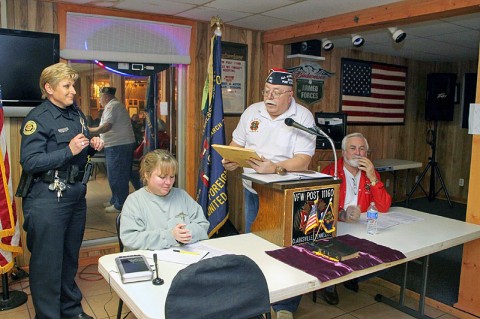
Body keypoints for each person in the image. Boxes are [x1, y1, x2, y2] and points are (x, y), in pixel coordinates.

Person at [222, 68, 316, 319]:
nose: (269, 97)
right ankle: (259, 299)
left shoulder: (303, 117)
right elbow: (237, 144)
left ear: (289, 95)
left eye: (276, 92)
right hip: (253, 190)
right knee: (257, 245)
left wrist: (274, 167)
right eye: (266, 91)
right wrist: (231, 158)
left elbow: (304, 160)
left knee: (287, 248)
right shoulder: (253, 111)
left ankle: (285, 306)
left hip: (284, 194)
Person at [18, 62, 104, 319]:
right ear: (49, 88)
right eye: (67, 86)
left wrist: (91, 146)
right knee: (47, 264)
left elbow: (79, 150)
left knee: (68, 259)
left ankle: (70, 311)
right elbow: (30, 162)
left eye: (73, 85)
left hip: (75, 194)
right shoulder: (38, 118)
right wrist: (69, 150)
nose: (73, 91)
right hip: (47, 198)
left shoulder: (75, 114)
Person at [319, 132, 392, 305]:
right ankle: (329, 285)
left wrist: (373, 177)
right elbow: (320, 207)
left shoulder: (370, 173)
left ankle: (352, 275)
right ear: (344, 152)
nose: (358, 153)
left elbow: (383, 206)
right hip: (335, 228)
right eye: (353, 148)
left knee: (387, 256)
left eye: (362, 149)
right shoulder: (330, 171)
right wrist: (343, 215)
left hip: (361, 227)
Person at [120, 149, 209, 250]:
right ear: (146, 175)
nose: (168, 182)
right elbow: (130, 239)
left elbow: (202, 225)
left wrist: (184, 234)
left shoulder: (182, 196)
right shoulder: (134, 201)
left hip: (183, 256)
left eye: (172, 177)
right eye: (162, 177)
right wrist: (170, 236)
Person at [89, 87, 136, 213]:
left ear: (106, 96)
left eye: (100, 97)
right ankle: (115, 199)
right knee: (115, 175)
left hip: (118, 146)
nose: (99, 100)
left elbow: (106, 126)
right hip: (116, 145)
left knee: (118, 175)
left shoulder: (112, 106)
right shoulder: (113, 106)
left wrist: (90, 130)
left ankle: (119, 204)